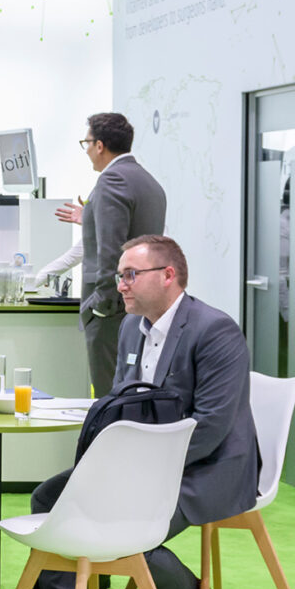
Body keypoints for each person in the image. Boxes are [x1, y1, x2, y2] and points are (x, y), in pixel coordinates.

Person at [17, 234, 259, 589]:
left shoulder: (215, 331)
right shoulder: (131, 326)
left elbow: (212, 425)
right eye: (119, 276)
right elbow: (122, 401)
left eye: (130, 275)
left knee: (120, 522)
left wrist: (140, 469)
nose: (121, 286)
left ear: (168, 275)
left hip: (209, 466)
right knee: (50, 497)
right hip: (139, 464)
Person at [79, 113, 166, 396]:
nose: (87, 151)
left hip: (113, 311)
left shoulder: (111, 180)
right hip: (143, 305)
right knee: (132, 391)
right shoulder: (149, 181)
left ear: (100, 145)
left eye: (87, 143)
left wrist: (101, 306)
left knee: (110, 396)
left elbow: (111, 251)